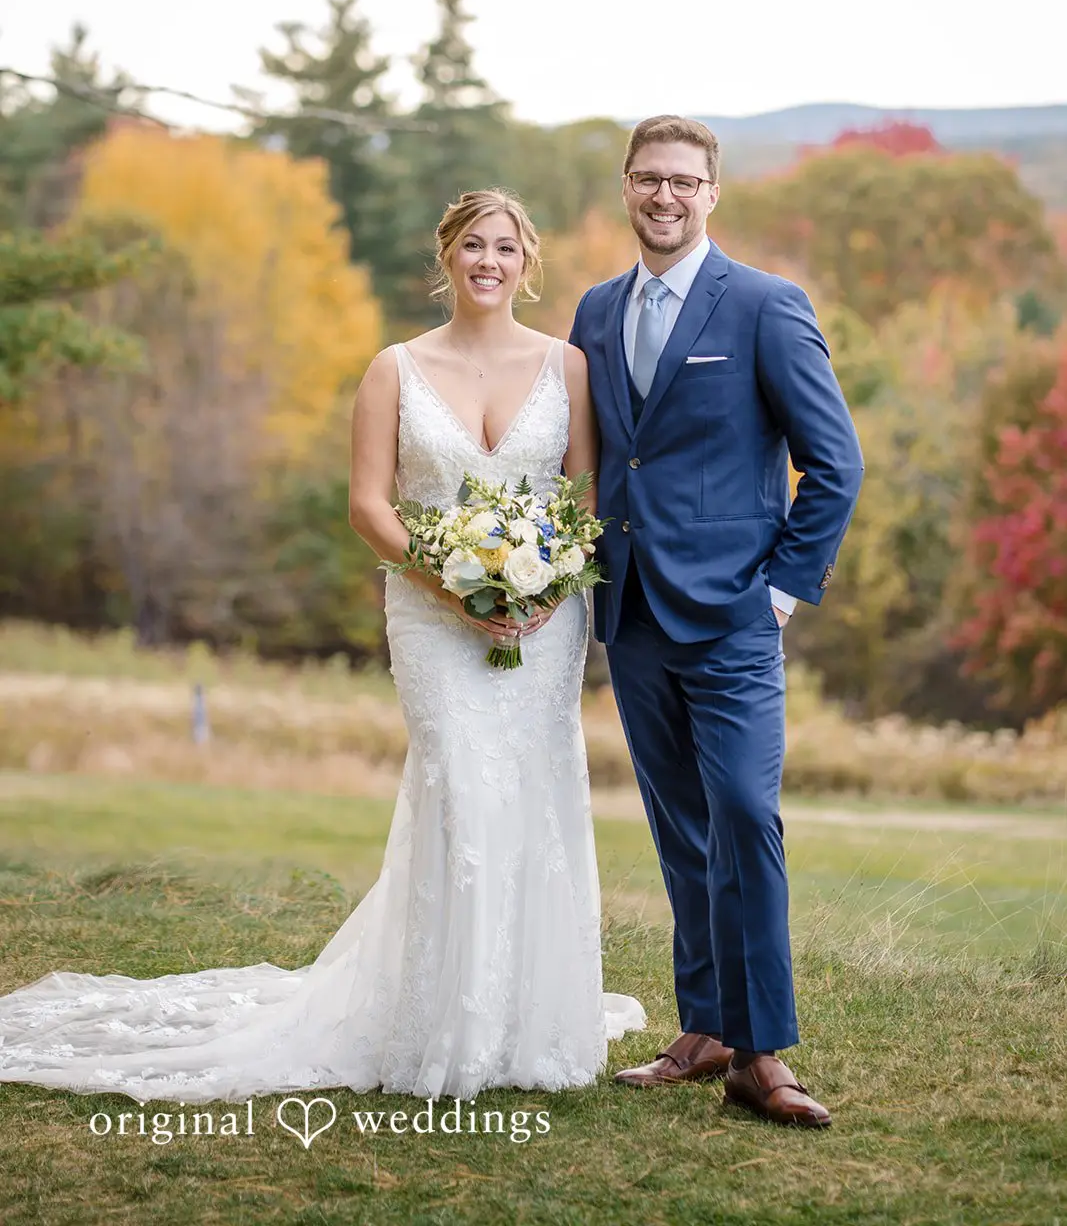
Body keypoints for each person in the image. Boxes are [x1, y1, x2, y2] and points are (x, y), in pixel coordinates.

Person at [0, 188, 644, 1104]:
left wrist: (543, 585)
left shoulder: (568, 367)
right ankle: (440, 1025)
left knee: (533, 797)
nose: (487, 261)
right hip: (431, 613)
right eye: (471, 245)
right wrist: (452, 585)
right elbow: (368, 506)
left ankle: (527, 1025)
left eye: (505, 247)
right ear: (446, 257)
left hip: (544, 623)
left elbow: (582, 496)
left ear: (528, 263)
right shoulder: (394, 368)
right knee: (459, 791)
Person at [570, 116, 864, 1128]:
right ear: (625, 188)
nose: (664, 195)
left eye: (683, 181)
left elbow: (834, 463)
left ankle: (761, 1050)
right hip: (633, 612)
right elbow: (601, 457)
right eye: (648, 178)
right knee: (680, 828)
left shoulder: (765, 306)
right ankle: (701, 1028)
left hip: (735, 615)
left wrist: (779, 591)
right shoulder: (596, 312)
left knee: (743, 813)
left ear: (711, 194)